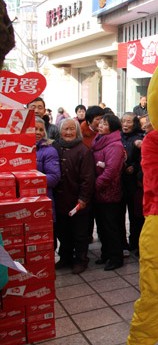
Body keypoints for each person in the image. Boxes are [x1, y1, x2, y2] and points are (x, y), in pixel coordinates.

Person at [53, 119, 95, 274]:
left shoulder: (83, 150)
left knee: (80, 233)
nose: (69, 132)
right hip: (59, 200)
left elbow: (88, 178)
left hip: (78, 200)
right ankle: (65, 258)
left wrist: (83, 198)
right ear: (60, 130)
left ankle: (81, 260)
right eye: (65, 129)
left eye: (72, 129)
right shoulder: (55, 147)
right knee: (63, 232)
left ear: (77, 131)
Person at [92, 113, 126, 271]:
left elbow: (111, 171)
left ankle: (116, 257)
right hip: (99, 192)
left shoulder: (115, 145)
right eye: (100, 123)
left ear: (112, 127)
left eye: (104, 124)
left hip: (110, 192)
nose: (100, 125)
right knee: (102, 226)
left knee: (111, 227)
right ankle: (106, 254)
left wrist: (96, 184)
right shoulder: (99, 140)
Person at [120, 112, 145, 256]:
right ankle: (123, 243)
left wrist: (134, 167)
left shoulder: (139, 139)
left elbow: (142, 160)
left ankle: (135, 243)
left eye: (129, 121)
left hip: (134, 183)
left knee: (135, 216)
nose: (125, 124)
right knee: (119, 215)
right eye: (123, 121)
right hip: (119, 182)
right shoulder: (117, 137)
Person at [35, 116, 61, 249]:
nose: (38, 132)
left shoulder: (49, 151)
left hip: (42, 201)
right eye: (34, 129)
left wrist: (29, 182)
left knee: (46, 242)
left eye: (41, 129)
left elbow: (54, 178)